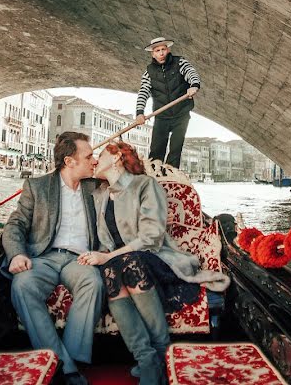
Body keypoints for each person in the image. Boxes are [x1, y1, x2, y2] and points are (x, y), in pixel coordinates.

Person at [78, 141, 229, 385]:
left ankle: (161, 351)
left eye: (101, 154)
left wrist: (109, 257)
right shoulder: (101, 194)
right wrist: (98, 257)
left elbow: (151, 238)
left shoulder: (146, 185)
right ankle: (147, 359)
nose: (95, 159)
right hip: (120, 264)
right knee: (110, 272)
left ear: (116, 158)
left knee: (125, 264)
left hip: (157, 258)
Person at [0, 132, 104, 385]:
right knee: (22, 285)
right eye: (89, 156)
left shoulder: (96, 186)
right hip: (43, 257)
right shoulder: (37, 186)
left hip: (80, 259)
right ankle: (64, 366)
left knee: (94, 283)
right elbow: (15, 225)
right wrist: (17, 254)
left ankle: (67, 363)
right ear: (69, 161)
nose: (95, 160)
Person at [133, 37, 201, 169]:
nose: (161, 53)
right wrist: (139, 113)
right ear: (153, 53)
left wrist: (194, 85)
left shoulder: (180, 62)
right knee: (156, 152)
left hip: (181, 114)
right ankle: (154, 178)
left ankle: (171, 178)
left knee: (175, 150)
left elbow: (191, 72)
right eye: (157, 50)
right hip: (162, 116)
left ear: (168, 50)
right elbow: (143, 92)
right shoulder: (149, 73)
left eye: (163, 49)